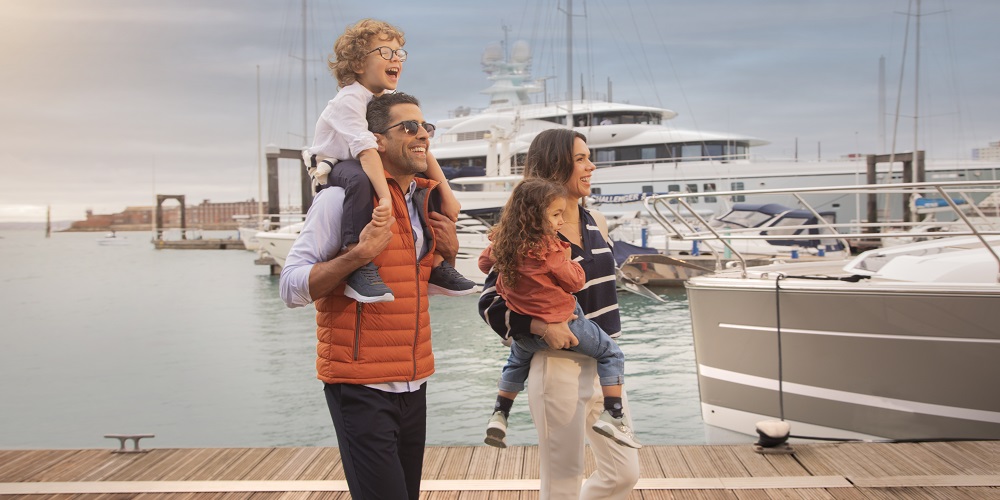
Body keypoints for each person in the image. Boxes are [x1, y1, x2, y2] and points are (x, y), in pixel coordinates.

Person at [281, 92, 458, 500]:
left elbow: (412, 287)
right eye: (408, 127)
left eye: (425, 126)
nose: (422, 135)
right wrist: (358, 255)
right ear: (375, 140)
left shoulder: (420, 203)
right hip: (360, 385)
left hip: (415, 383)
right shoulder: (338, 200)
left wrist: (445, 253)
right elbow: (290, 286)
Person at [478, 128, 640, 499]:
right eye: (580, 159)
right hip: (556, 365)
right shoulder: (526, 232)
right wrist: (540, 326)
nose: (591, 166)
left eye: (588, 158)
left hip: (604, 362)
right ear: (555, 165)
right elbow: (489, 303)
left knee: (623, 473)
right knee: (562, 481)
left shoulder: (596, 220)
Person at [303, 18, 473, 304]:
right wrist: (385, 200)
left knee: (424, 181)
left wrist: (446, 193)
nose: (396, 59)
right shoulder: (350, 100)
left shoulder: (390, 99)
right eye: (385, 52)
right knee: (358, 179)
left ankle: (437, 263)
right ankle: (359, 261)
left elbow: (424, 153)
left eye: (399, 53)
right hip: (333, 163)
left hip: (365, 160)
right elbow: (366, 150)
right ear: (358, 64)